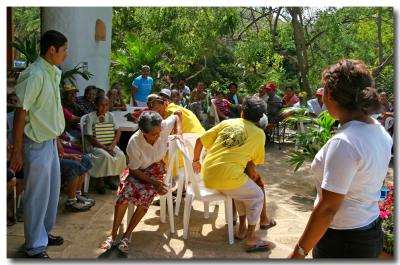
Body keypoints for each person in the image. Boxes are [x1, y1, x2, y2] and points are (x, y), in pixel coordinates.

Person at [289, 59, 392, 259]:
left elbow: (328, 208)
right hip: (369, 230)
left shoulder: (345, 142)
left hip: (342, 241)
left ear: (329, 94)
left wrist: (298, 253)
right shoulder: (379, 132)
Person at [9, 30, 68, 258]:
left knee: (51, 193)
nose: (66, 54)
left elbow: (48, 111)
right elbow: (21, 112)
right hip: (35, 143)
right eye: (64, 50)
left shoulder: (52, 71)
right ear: (51, 50)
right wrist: (16, 151)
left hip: (49, 142)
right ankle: (34, 245)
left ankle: (42, 232)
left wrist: (56, 139)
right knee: (37, 195)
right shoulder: (34, 75)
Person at [192, 96, 272, 252]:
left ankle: (241, 230)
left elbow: (199, 141)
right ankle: (251, 238)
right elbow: (252, 165)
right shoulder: (259, 134)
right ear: (260, 117)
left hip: (207, 175)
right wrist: (255, 178)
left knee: (241, 192)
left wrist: (196, 161)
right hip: (228, 177)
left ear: (242, 112)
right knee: (257, 196)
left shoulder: (227, 122)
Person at [99, 110, 182, 253]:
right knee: (124, 194)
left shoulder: (162, 126)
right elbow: (134, 170)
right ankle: (112, 236)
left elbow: (178, 114)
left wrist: (179, 132)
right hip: (137, 171)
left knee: (146, 194)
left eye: (159, 132)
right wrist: (155, 183)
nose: (158, 136)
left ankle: (127, 235)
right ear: (143, 132)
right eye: (153, 134)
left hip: (156, 168)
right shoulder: (134, 143)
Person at [83, 96, 127, 194]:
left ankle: (111, 178)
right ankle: (100, 181)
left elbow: (118, 131)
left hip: (109, 144)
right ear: (96, 105)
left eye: (106, 105)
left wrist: (112, 145)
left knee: (120, 155)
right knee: (105, 157)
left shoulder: (110, 116)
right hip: (95, 146)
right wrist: (105, 148)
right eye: (101, 105)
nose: (104, 107)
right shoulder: (90, 117)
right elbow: (89, 137)